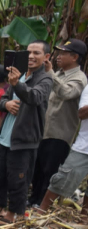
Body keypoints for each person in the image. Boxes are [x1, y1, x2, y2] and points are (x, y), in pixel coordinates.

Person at [0, 41, 54, 222]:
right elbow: (2, 100)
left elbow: (34, 97)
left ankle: (12, 214)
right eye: (29, 53)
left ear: (46, 57)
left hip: (24, 139)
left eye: (37, 53)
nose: (32, 56)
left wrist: (17, 83)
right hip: (5, 137)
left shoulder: (45, 79)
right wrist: (7, 104)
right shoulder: (19, 75)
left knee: (18, 179)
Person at [29, 39, 88, 206]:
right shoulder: (59, 74)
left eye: (63, 53)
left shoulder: (79, 78)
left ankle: (41, 205)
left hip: (60, 134)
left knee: (50, 171)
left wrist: (51, 74)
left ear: (75, 57)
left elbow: (66, 93)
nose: (58, 56)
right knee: (38, 169)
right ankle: (33, 200)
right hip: (45, 130)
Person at [39, 84, 88, 214]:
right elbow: (82, 113)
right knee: (63, 177)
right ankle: (42, 211)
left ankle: (84, 217)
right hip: (84, 147)